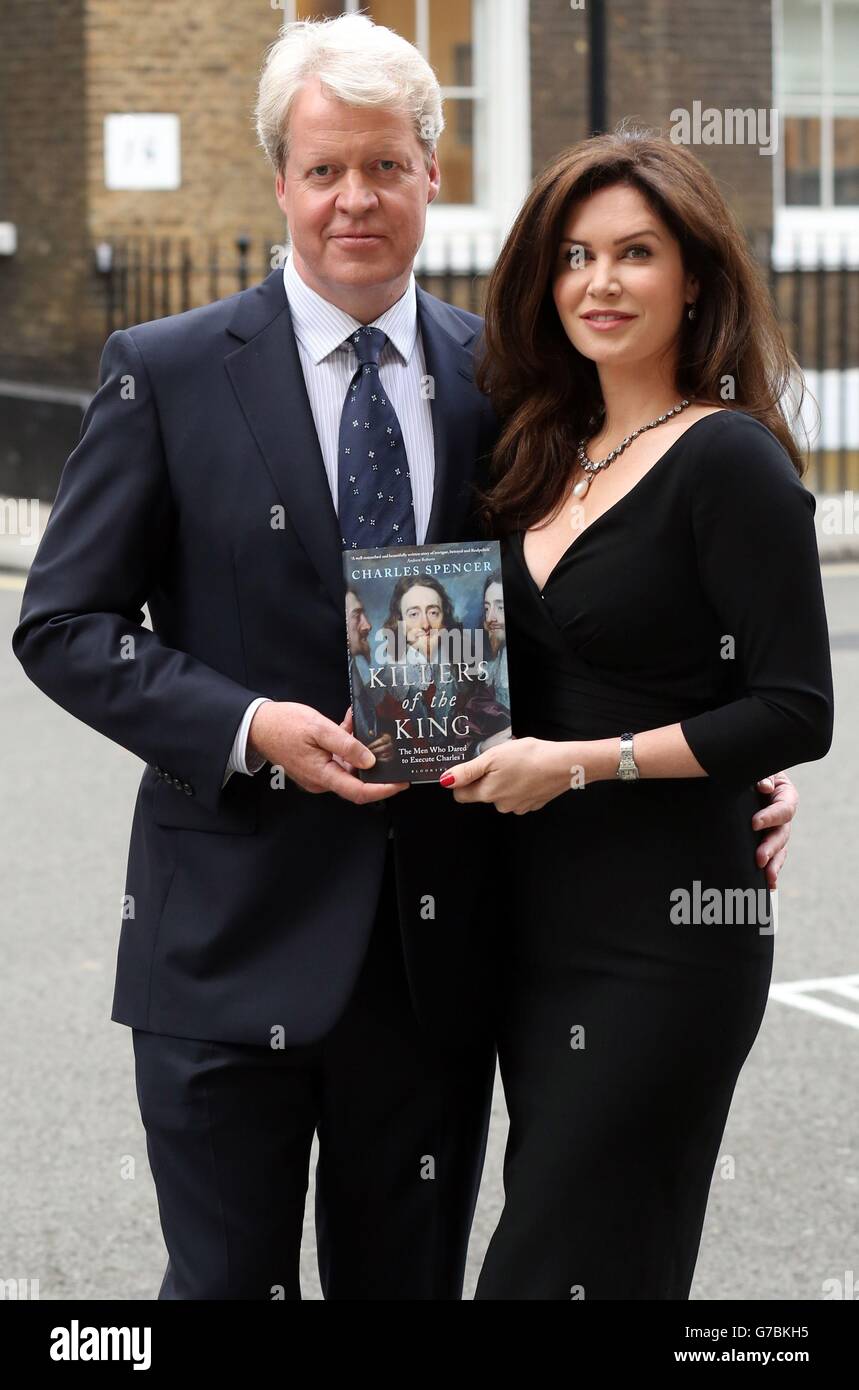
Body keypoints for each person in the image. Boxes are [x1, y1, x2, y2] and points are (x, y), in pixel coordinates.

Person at [12, 16, 798, 1301]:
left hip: (438, 955)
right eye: (324, 170)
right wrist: (251, 722)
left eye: (384, 165)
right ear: (280, 183)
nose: (354, 200)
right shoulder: (162, 373)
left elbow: (582, 618)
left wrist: (723, 764)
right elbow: (60, 626)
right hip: (226, 947)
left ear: (434, 171)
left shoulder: (512, 383)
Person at [439, 129, 834, 1300]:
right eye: (573, 255)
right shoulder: (537, 449)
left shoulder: (729, 462)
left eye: (634, 253)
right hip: (529, 919)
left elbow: (792, 709)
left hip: (667, 935)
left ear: (695, 278)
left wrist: (584, 763)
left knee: (556, 1257)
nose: (598, 283)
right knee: (600, 1256)